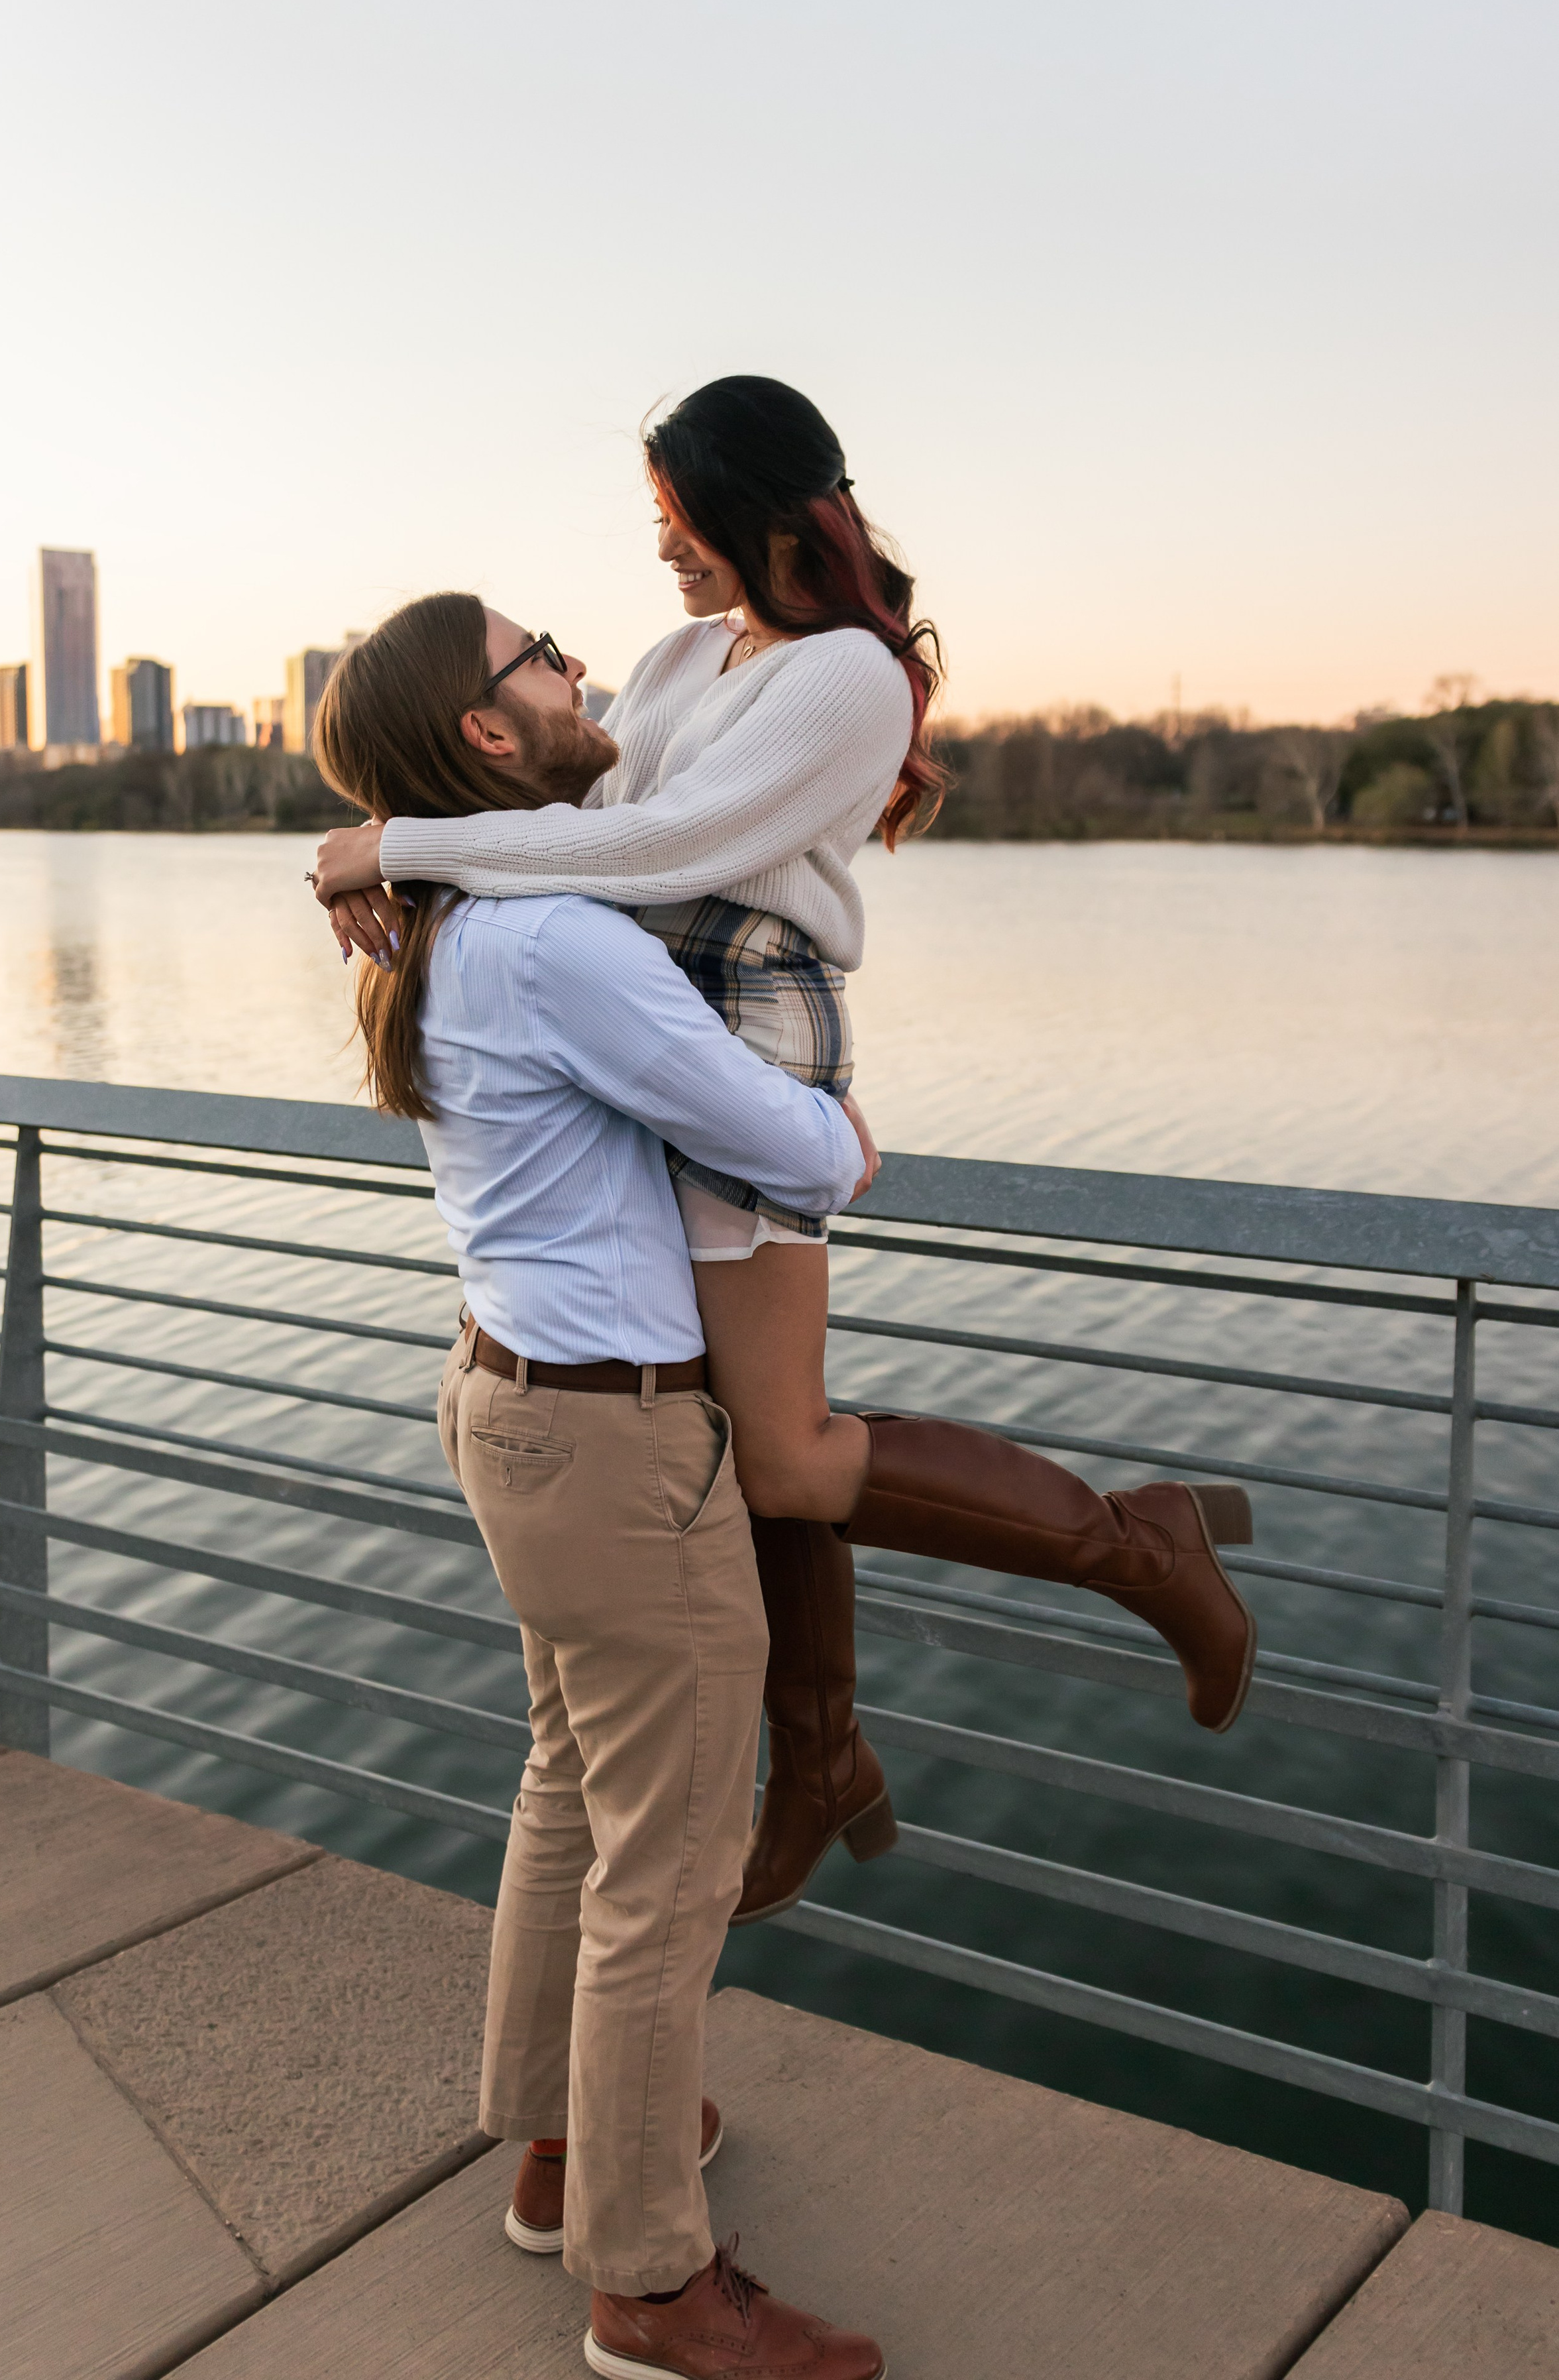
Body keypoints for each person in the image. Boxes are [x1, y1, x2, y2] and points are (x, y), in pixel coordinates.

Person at [311, 379, 1259, 1937]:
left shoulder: (846, 683)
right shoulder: (689, 657)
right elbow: (558, 812)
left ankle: (1137, 1549)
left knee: (786, 1454)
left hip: (744, 1022)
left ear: (759, 517)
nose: (660, 555)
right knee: (740, 1448)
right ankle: (815, 1752)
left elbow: (654, 852)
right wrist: (384, 844)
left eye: (678, 523)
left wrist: (397, 844)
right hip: (637, 1025)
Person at [313, 591, 887, 2379]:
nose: (577, 672)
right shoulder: (555, 941)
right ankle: (648, 2284)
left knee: (572, 1791)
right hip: (613, 1446)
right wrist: (850, 1132)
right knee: (671, 1864)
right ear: (490, 735)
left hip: (512, 1409)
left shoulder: (446, 925)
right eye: (543, 656)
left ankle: (564, 2156)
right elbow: (785, 1142)